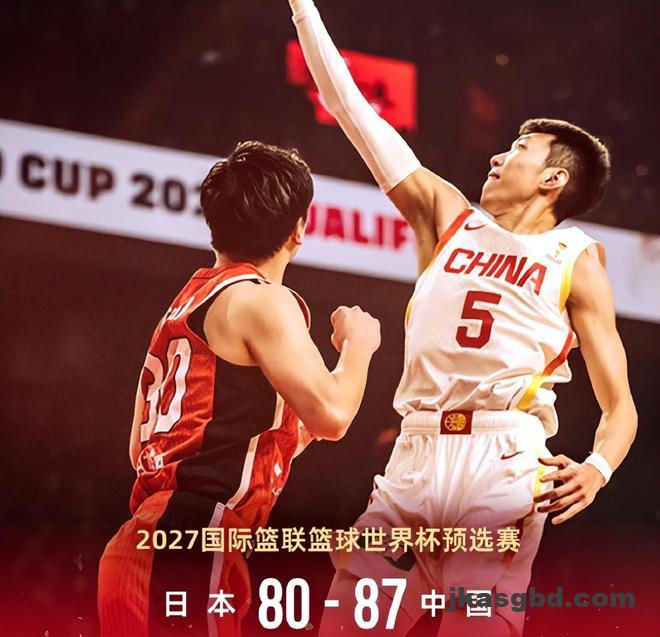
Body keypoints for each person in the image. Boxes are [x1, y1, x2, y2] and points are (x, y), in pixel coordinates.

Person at [287, 2, 638, 636]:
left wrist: (597, 469)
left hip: (502, 465)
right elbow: (350, 108)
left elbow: (620, 406)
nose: (498, 158)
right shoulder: (446, 215)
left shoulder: (575, 258)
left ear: (553, 178)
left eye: (519, 150)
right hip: (415, 454)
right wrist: (302, 9)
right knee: (342, 627)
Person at [97, 140, 381, 637]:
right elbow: (333, 415)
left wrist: (290, 432)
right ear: (298, 229)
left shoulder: (188, 302)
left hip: (152, 540)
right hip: (191, 537)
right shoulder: (261, 300)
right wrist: (359, 344)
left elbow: (145, 448)